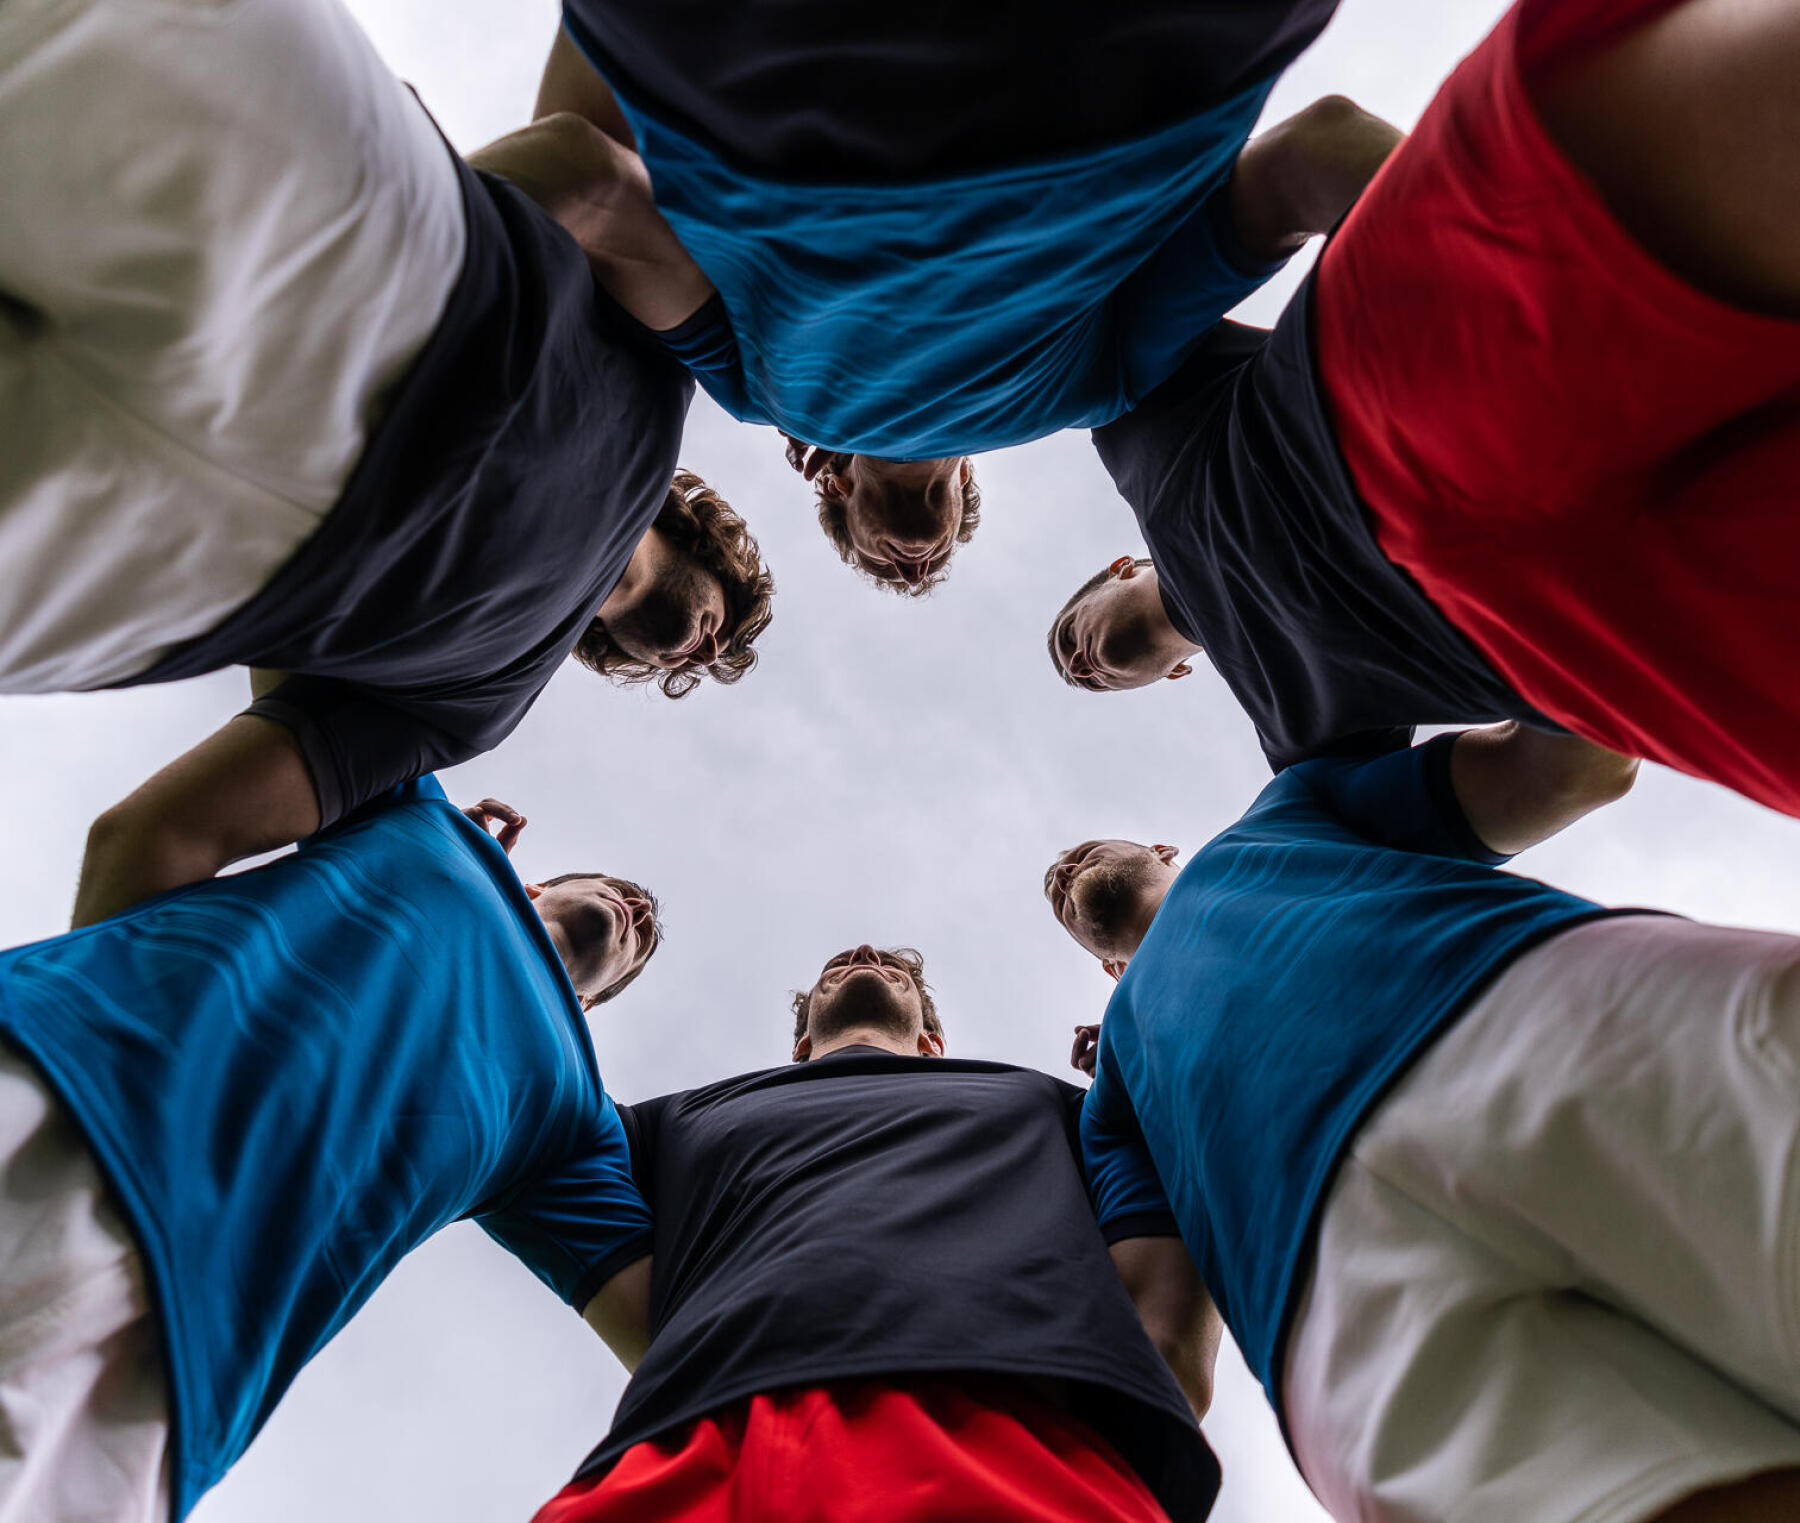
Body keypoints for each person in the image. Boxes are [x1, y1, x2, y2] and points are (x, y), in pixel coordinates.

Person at [0, 0, 775, 897]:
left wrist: (400, 838)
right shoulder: (666, 375)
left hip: (149, 554)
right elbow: (588, 174)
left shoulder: (485, 707)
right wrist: (403, 210)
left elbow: (159, 832)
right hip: (341, 248)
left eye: (706, 671)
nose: (709, 654)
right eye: (735, 625)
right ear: (716, 551)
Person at [1059, 0, 1800, 816]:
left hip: (1403, 408)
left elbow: (1310, 155)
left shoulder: (1128, 419)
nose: (1081, 665)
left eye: (1067, 640)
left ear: (1116, 567)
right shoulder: (1307, 760)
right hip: (1575, 628)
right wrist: (1569, 679)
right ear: (1173, 676)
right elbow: (1569, 776)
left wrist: (1470, 258)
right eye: (1085, 679)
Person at [1045, 722, 1800, 1519]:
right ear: (1107, 969)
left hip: (1542, 1016)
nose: (1063, 873)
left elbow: (1568, 767)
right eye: (1057, 893)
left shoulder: (1286, 807)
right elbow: (1163, 1339)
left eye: (1078, 853)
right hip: (1340, 1316)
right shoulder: (1112, 1101)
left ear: (1167, 850)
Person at [533, 8, 1403, 583]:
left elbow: (586, 178)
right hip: (1147, 66)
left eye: (882, 564)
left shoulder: (752, 390)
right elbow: (1312, 159)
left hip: (755, 67)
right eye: (934, 560)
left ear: (832, 494)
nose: (911, 564)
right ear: (966, 487)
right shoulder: (1094, 390)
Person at [0, 782, 663, 1520]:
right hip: (47, 1090)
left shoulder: (574, 1116)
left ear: (596, 1005)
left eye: (642, 937)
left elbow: (681, 1337)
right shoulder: (422, 815)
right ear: (533, 882)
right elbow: (295, 690)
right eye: (621, 891)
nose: (639, 912)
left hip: (180, 1351)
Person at [532, 944, 1223, 1523]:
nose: (864, 953)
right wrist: (549, 947)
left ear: (932, 1042)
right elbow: (529, 1116)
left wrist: (1142, 1039)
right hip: (693, 1445)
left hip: (1021, 1444)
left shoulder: (1055, 1105)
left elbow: (1166, 1314)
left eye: (897, 965)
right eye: (840, 963)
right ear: (800, 1045)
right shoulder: (669, 1124)